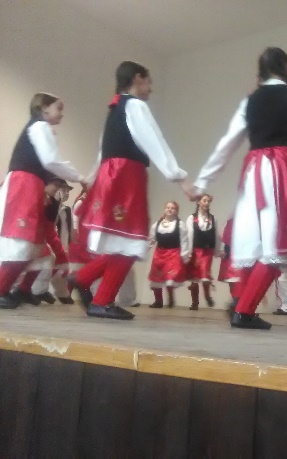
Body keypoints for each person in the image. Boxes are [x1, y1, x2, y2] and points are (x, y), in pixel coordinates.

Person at [192, 47, 287, 330]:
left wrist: (203, 181)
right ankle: (244, 309)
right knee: (280, 247)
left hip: (253, 171)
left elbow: (227, 143)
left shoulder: (249, 101)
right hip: (281, 170)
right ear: (286, 67)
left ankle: (243, 305)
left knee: (258, 245)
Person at [69, 61, 192, 320]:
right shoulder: (135, 105)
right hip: (126, 177)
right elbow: (154, 141)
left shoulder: (115, 109)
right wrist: (179, 177)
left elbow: (102, 151)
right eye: (148, 82)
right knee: (131, 241)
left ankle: (83, 278)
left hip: (110, 176)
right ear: (137, 78)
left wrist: (92, 179)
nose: (151, 89)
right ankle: (102, 300)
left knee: (121, 241)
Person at [0, 93, 84, 309]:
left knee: (35, 248)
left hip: (31, 186)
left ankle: (18, 290)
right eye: (59, 108)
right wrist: (81, 177)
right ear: (44, 108)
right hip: (24, 185)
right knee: (21, 243)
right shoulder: (39, 126)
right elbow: (51, 160)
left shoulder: (40, 129)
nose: (62, 113)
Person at [11, 177, 70, 305]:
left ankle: (26, 290)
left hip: (36, 232)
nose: (62, 191)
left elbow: (48, 226)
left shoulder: (50, 200)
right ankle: (15, 290)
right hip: (21, 230)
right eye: (59, 186)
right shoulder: (36, 194)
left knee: (45, 258)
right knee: (18, 260)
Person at [148, 201, 189, 308]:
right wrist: (144, 250)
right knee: (156, 278)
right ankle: (158, 301)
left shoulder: (180, 225)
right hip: (159, 254)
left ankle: (171, 299)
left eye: (172, 208)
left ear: (176, 211)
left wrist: (184, 255)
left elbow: (184, 241)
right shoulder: (157, 225)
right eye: (168, 207)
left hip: (173, 253)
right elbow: (151, 239)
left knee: (170, 278)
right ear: (164, 209)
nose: (170, 209)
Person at [186, 194, 218, 310]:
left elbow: (216, 236)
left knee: (205, 273)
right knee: (195, 275)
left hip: (208, 251)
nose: (206, 203)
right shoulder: (192, 218)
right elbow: (189, 235)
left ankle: (207, 296)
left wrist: (217, 250)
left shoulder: (213, 218)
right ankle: (195, 302)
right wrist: (189, 251)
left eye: (208, 201)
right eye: (204, 200)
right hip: (195, 250)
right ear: (198, 202)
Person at [217, 217, 242, 311]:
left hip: (242, 254)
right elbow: (223, 238)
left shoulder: (249, 221)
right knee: (232, 280)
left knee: (241, 280)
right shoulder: (229, 223)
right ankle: (235, 302)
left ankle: (238, 303)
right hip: (230, 255)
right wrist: (222, 249)